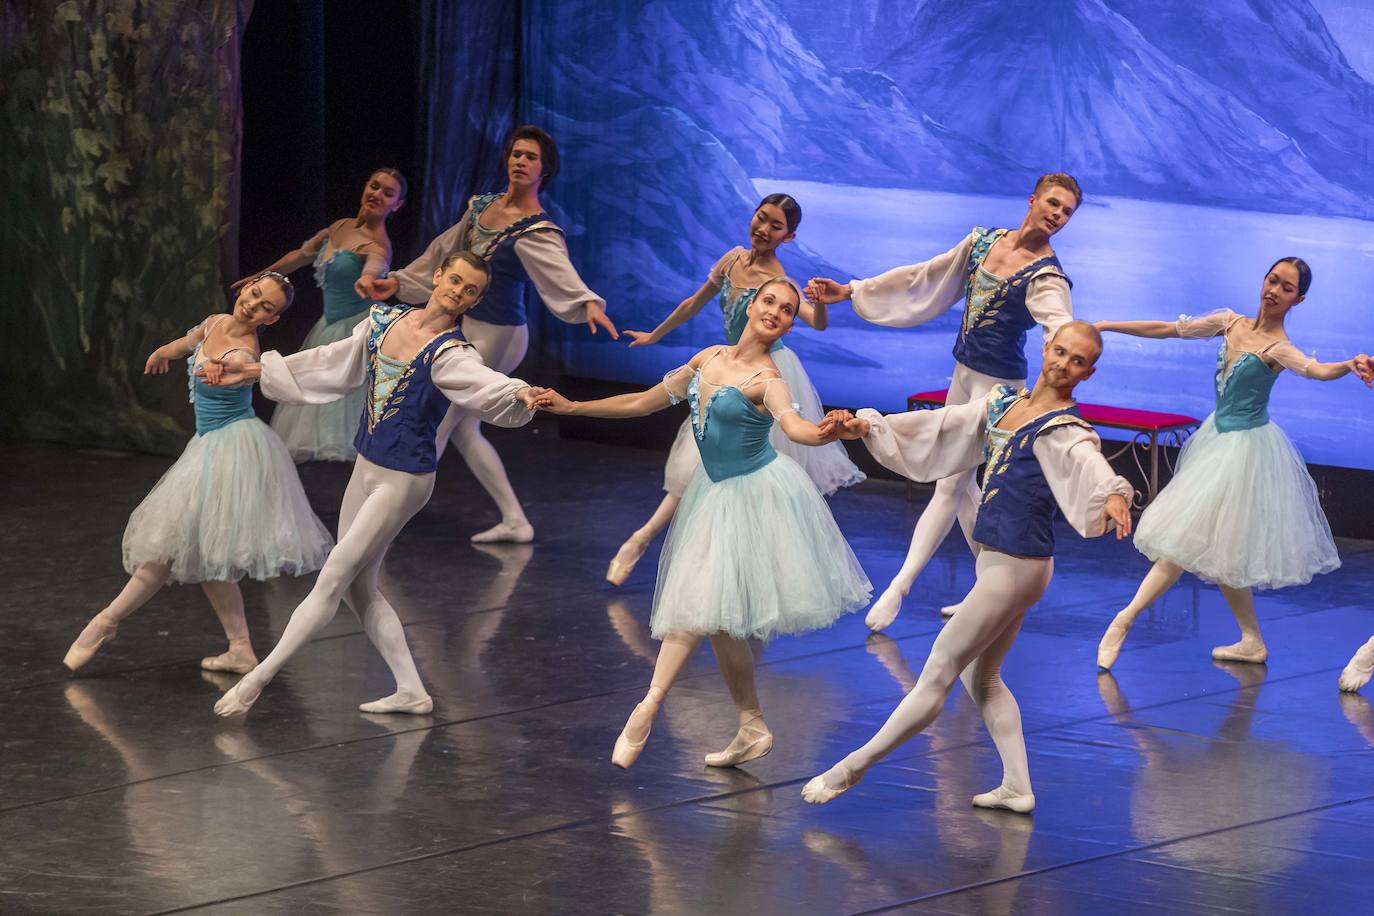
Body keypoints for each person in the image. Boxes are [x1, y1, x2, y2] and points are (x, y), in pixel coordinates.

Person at [534, 277, 871, 768]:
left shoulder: (769, 381)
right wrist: (573, 406)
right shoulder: (708, 358)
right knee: (720, 621)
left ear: (791, 324)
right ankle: (752, 725)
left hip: (755, 497)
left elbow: (796, 428)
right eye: (769, 300)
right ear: (752, 304)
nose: (775, 311)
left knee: (698, 602)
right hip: (715, 493)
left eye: (787, 309)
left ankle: (648, 705)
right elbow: (643, 401)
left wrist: (828, 432)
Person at [802, 321, 1133, 812]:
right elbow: (943, 426)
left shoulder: (1067, 428)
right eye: (1060, 352)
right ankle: (1017, 786)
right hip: (1010, 564)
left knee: (937, 671)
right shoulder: (1004, 404)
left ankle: (849, 769)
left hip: (1016, 567)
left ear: (1090, 372)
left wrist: (1113, 494)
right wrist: (868, 427)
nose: (1064, 364)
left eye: (1078, 360)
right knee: (983, 679)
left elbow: (1088, 462)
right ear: (1045, 347)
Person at [203, 253, 543, 717]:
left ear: (477, 300)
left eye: (470, 291)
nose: (458, 293)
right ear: (439, 275)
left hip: (404, 479)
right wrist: (258, 370)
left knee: (331, 579)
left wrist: (518, 392)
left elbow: (486, 384)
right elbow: (331, 361)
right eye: (455, 281)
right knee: (357, 588)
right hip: (367, 465)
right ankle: (411, 691)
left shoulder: (452, 353)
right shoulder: (385, 320)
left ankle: (255, 683)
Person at [806, 173, 1081, 631]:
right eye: (1053, 203)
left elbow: (1062, 331)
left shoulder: (1046, 276)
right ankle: (987, 593)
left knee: (952, 487)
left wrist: (1054, 388)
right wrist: (853, 291)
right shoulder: (982, 242)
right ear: (1032, 200)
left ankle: (900, 586)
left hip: (999, 392)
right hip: (963, 377)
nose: (1057, 214)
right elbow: (924, 276)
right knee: (965, 488)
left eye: (1067, 211)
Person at [1095, 258, 1374, 669]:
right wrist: (1105, 326)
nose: (1275, 290)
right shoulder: (1229, 323)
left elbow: (1314, 370)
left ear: (1299, 298)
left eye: (1287, 288)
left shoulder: (1278, 348)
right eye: (1272, 280)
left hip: (1244, 452)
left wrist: (1348, 366)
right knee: (1222, 547)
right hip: (1216, 441)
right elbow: (1167, 329)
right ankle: (1252, 641)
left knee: (1184, 542)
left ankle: (1123, 620)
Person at [64, 273, 332, 674]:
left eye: (266, 308)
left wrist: (220, 373)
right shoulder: (215, 322)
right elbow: (189, 343)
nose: (253, 306)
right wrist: (162, 352)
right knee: (205, 556)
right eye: (254, 295)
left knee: (171, 549)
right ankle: (239, 647)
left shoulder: (243, 352)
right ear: (244, 289)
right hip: (209, 446)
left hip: (231, 450)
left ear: (271, 320)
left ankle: (104, 622)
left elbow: (230, 370)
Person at [362, 126, 616, 544]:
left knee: (439, 419)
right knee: (462, 428)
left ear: (544, 168)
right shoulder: (482, 206)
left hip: (500, 333)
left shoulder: (536, 228)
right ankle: (515, 520)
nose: (520, 161)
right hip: (470, 327)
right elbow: (446, 251)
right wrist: (402, 282)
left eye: (530, 157)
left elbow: (559, 269)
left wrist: (585, 301)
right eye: (516, 153)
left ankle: (386, 520)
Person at [606, 193, 864, 585]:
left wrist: (821, 302)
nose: (763, 229)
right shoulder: (731, 260)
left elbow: (817, 322)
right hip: (726, 368)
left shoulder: (778, 281)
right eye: (761, 219)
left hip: (762, 378)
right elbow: (694, 303)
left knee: (755, 484)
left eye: (775, 226)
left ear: (788, 237)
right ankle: (642, 542)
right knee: (696, 468)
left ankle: (752, 573)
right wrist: (655, 335)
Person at [234, 169, 407, 461]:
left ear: (397, 205)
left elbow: (375, 267)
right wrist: (263, 274)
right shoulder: (341, 226)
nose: (377, 194)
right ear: (366, 186)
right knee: (315, 391)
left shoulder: (378, 246)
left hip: (355, 329)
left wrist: (367, 279)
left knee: (346, 402)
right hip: (328, 324)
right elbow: (300, 256)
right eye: (374, 186)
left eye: (388, 193)